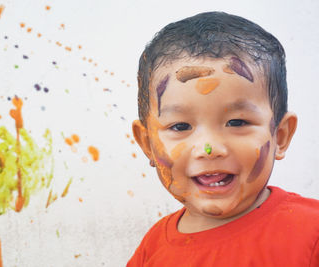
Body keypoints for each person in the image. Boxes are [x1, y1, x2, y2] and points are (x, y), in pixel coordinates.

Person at [127, 11, 319, 266]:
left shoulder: (311, 233)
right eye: (180, 125)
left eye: (237, 122)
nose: (209, 149)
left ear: (280, 135)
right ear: (147, 144)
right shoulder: (151, 250)